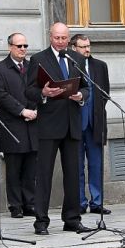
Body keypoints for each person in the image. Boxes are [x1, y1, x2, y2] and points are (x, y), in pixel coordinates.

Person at [26, 22, 91, 235]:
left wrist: (81, 96)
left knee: (74, 174)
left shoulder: (77, 58)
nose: (61, 42)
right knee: (44, 174)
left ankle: (72, 218)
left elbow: (86, 87)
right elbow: (29, 91)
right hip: (49, 125)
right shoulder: (38, 59)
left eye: (64, 38)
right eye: (57, 38)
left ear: (68, 38)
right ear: (50, 36)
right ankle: (41, 221)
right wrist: (43, 93)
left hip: (72, 124)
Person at [0, 33, 37, 218]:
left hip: (33, 123)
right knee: (14, 169)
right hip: (13, 125)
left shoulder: (32, 66)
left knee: (31, 168)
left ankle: (30, 204)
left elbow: (40, 88)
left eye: (25, 46)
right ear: (10, 47)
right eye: (19, 46)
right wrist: (22, 110)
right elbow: (1, 95)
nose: (23, 49)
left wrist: (35, 110)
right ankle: (15, 205)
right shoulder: (0, 68)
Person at [70, 34, 111, 216]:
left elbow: (105, 93)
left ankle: (97, 202)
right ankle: (79, 202)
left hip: (95, 123)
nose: (87, 50)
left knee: (96, 165)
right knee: (77, 166)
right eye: (82, 46)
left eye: (88, 46)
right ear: (74, 48)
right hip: (76, 123)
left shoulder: (99, 66)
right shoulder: (69, 66)